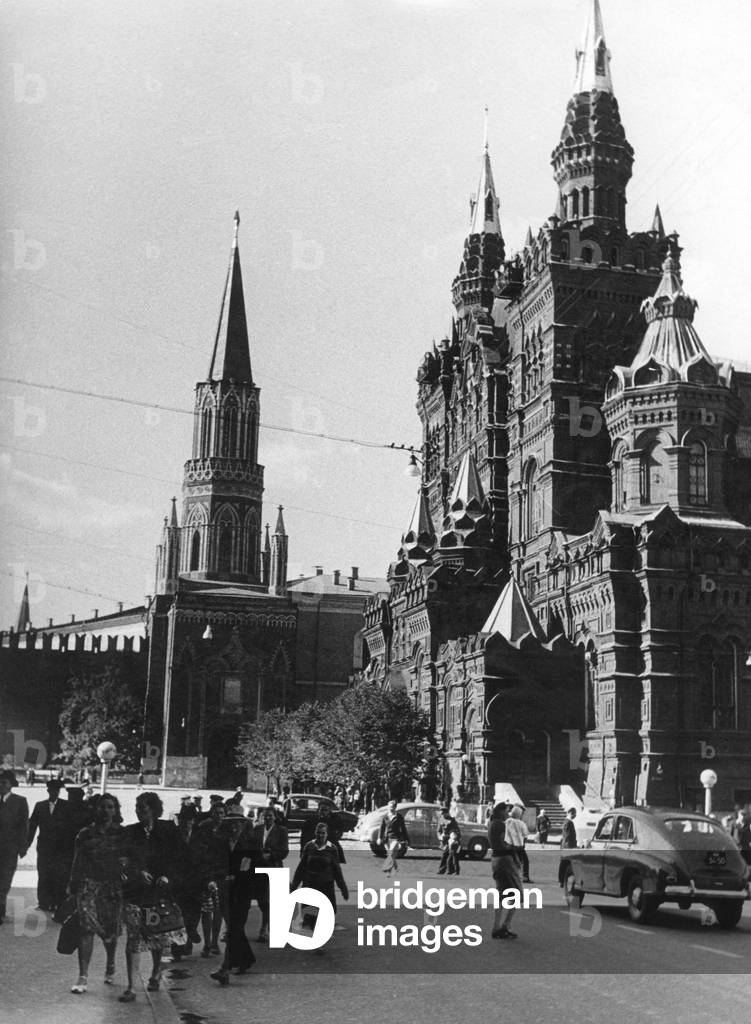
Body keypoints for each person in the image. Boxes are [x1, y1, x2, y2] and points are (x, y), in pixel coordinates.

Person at [121, 791, 187, 1001]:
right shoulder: (130, 832)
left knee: (156, 936)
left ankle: (156, 971)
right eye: (137, 808)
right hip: (135, 895)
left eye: (143, 808)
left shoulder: (168, 830)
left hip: (157, 896)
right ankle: (132, 986)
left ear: (154, 810)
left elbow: (180, 858)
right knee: (133, 938)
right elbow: (123, 860)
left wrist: (168, 876)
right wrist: (137, 872)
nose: (139, 812)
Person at [67, 793, 126, 994]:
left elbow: (129, 860)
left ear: (115, 810)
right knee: (86, 927)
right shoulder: (85, 834)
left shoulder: (122, 834)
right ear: (96, 809)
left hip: (112, 886)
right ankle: (83, 976)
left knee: (110, 929)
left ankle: (110, 964)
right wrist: (72, 885)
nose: (106, 810)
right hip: (88, 884)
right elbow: (77, 860)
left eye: (110, 807)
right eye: (102, 807)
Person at [211, 807, 260, 985]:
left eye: (237, 824)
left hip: (242, 891)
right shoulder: (221, 842)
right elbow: (215, 863)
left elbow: (252, 869)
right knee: (234, 928)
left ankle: (224, 968)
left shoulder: (250, 844)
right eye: (230, 824)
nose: (233, 827)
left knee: (234, 928)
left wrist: (236, 876)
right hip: (224, 890)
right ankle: (246, 959)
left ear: (243, 825)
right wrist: (218, 877)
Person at [292, 821, 349, 934]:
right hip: (310, 884)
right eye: (318, 833)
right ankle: (312, 940)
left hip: (325, 885)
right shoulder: (309, 846)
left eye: (323, 833)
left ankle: (320, 941)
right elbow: (301, 867)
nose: (320, 835)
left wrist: (343, 888)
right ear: (315, 833)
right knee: (309, 917)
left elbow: (337, 870)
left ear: (327, 834)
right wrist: (294, 885)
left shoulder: (332, 848)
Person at [190, 798, 230, 957]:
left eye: (221, 813)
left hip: (221, 874)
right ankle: (206, 944)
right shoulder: (204, 827)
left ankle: (214, 942)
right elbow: (197, 850)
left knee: (218, 910)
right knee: (206, 910)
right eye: (215, 813)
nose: (218, 816)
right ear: (211, 813)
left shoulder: (228, 829)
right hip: (205, 873)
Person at [27, 778, 71, 912]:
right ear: (48, 791)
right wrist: (26, 844)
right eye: (52, 790)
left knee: (59, 874)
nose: (54, 793)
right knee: (44, 873)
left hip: (60, 848)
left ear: (59, 791)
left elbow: (71, 827)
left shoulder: (66, 806)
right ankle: (43, 902)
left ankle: (57, 902)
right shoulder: (39, 806)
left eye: (57, 790)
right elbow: (32, 826)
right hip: (44, 846)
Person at [252, 806, 289, 941]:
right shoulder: (257, 829)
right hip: (259, 869)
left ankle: (264, 927)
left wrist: (271, 855)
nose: (267, 818)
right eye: (265, 815)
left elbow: (284, 851)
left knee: (269, 900)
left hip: (274, 868)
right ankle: (267, 923)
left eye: (270, 816)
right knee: (262, 900)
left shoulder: (281, 831)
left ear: (275, 817)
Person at [488, 802, 521, 939]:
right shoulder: (501, 825)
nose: (508, 813)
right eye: (507, 811)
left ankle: (497, 926)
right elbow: (504, 844)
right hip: (504, 861)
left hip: (496, 859)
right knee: (517, 894)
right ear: (501, 811)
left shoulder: (492, 823)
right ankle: (505, 925)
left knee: (502, 894)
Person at [0, 769, 29, 925]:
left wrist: (22, 847)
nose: (1, 785)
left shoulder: (19, 801)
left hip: (9, 848)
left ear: (11, 785)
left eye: (4, 783)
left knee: (4, 880)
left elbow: (24, 826)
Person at [379, 800, 409, 876]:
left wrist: (406, 839)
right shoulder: (385, 816)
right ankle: (395, 867)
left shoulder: (399, 817)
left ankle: (387, 870)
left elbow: (403, 828)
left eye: (392, 807)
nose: (390, 809)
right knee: (390, 855)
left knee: (391, 852)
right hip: (387, 838)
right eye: (389, 807)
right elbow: (382, 828)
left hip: (395, 838)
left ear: (395, 807)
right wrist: (379, 838)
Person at [504, 805, 532, 883]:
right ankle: (524, 876)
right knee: (524, 861)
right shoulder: (521, 823)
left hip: (509, 845)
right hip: (519, 846)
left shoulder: (507, 821)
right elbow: (525, 835)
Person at [437, 807, 461, 875]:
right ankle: (444, 870)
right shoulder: (441, 820)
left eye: (443, 813)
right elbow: (439, 830)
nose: (442, 815)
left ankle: (449, 870)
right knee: (445, 855)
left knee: (450, 856)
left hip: (451, 840)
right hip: (444, 840)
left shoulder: (452, 820)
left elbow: (456, 830)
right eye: (441, 814)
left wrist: (454, 838)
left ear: (447, 813)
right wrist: (440, 836)